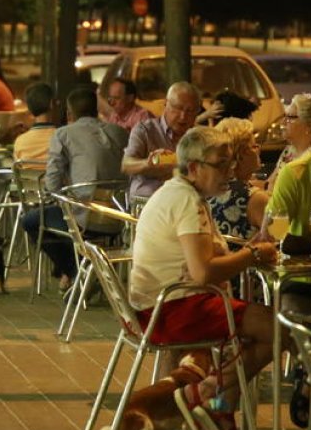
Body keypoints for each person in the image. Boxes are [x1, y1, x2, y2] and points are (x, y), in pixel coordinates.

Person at [130, 126, 278, 430]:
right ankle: (208, 396)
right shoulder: (186, 200)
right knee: (282, 329)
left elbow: (204, 259)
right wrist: (252, 255)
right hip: (174, 310)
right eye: (221, 165)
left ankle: (218, 410)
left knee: (270, 329)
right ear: (195, 168)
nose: (229, 172)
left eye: (230, 163)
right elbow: (202, 273)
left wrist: (242, 253)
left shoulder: (182, 192)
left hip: (160, 306)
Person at [20, 87, 128, 291]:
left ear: (69, 114)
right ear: (96, 110)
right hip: (119, 217)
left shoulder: (63, 134)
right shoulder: (120, 132)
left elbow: (52, 184)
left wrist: (65, 195)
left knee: (31, 221)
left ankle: (75, 270)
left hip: (84, 218)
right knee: (60, 219)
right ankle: (81, 271)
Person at [122, 82, 202, 201]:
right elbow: (126, 165)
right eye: (178, 108)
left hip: (184, 199)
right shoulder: (145, 130)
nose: (183, 116)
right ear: (166, 104)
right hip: (148, 200)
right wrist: (148, 164)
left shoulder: (198, 137)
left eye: (190, 111)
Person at [209, 118, 270, 240]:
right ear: (239, 155)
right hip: (246, 258)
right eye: (254, 146)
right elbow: (280, 240)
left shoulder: (208, 189)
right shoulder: (256, 199)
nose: (258, 150)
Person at [264, 93, 311, 195]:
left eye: (290, 117)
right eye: (284, 116)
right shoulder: (289, 151)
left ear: (309, 126)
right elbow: (269, 183)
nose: (283, 122)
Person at [12, 83, 57, 163]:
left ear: (29, 109)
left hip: (27, 176)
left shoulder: (20, 141)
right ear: (51, 104)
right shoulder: (64, 138)